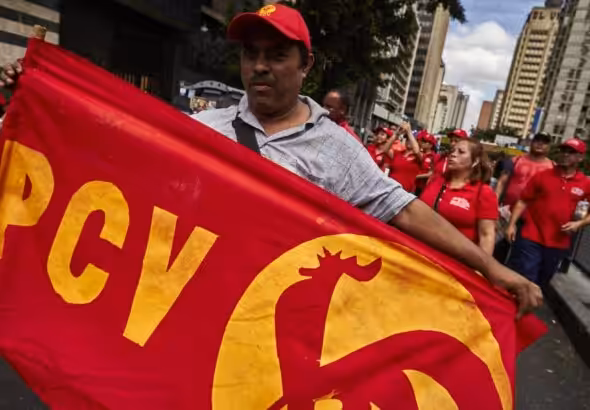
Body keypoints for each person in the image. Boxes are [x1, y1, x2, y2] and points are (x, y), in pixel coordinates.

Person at [0, 4, 541, 315]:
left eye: (276, 55)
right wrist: (35, 99)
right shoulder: (203, 125)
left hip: (260, 319)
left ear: (305, 64)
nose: (260, 67)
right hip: (178, 306)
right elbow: (117, 156)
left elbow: (403, 209)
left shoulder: (336, 149)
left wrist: (491, 267)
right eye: (250, 54)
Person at [505, 138, 590, 289]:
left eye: (571, 152)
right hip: (531, 235)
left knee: (542, 281)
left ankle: (526, 309)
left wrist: (579, 223)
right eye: (563, 150)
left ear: (580, 157)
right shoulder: (542, 176)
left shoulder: (585, 183)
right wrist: (511, 225)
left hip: (558, 241)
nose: (565, 154)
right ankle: (513, 308)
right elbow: (523, 201)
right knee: (526, 277)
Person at [420, 138, 499, 255]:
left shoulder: (484, 192)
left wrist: (480, 270)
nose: (453, 155)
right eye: (452, 151)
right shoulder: (436, 181)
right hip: (420, 252)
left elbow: (487, 235)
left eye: (461, 152)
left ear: (475, 161)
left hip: (455, 263)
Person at [495, 133, 554, 208]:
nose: (540, 143)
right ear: (531, 143)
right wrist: (494, 204)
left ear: (549, 147)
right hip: (507, 209)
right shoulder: (515, 160)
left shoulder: (552, 167)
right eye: (537, 140)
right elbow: (501, 183)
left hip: (533, 213)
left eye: (545, 142)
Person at [388, 124, 424, 192]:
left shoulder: (419, 156)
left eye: (411, 139)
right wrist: (396, 134)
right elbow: (385, 149)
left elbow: (416, 151)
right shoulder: (398, 153)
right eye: (407, 139)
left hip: (406, 192)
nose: (409, 141)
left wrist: (409, 132)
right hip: (391, 189)